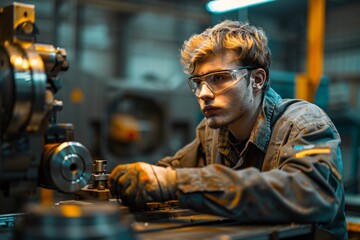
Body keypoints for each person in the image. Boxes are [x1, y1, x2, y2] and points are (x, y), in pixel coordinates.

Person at [109, 20, 347, 239]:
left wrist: (174, 182)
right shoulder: (212, 131)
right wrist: (138, 178)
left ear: (257, 80)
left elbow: (308, 193)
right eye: (198, 82)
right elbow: (173, 170)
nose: (203, 93)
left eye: (219, 78)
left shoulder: (305, 124)